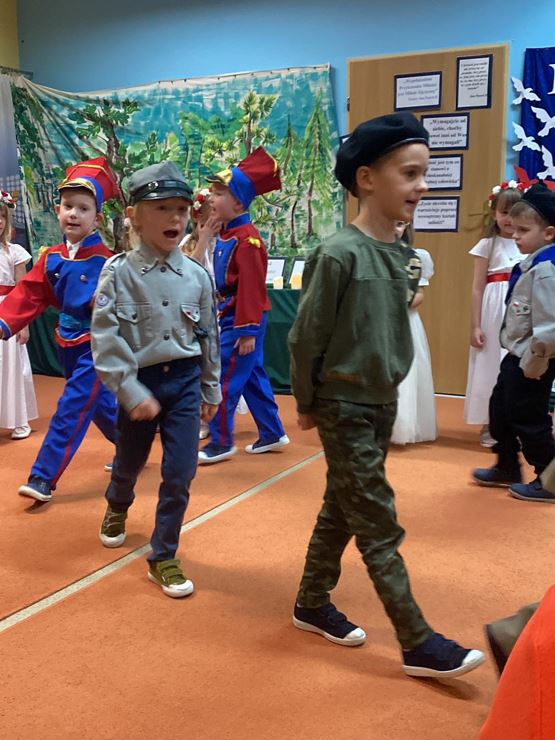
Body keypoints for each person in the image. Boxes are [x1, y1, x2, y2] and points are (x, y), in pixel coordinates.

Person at [288, 112, 485, 678]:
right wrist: (307, 400)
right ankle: (416, 640)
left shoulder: (402, 254)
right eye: (410, 173)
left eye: (425, 174)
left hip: (382, 400)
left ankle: (310, 602)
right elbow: (306, 337)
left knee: (342, 504)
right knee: (377, 520)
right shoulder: (338, 253)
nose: (422, 186)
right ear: (368, 178)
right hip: (343, 404)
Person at [91, 162, 221, 597]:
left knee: (181, 472)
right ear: (134, 216)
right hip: (141, 382)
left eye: (181, 209)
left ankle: (163, 555)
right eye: (162, 208)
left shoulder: (198, 276)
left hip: (184, 382)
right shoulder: (118, 272)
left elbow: (208, 336)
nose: (174, 218)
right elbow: (105, 338)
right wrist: (130, 391)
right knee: (129, 463)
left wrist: (210, 387)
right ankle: (117, 503)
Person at [0, 158, 119, 502]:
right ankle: (132, 443)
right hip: (66, 343)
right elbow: (29, 293)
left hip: (98, 346)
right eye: (68, 206)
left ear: (97, 218)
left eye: (83, 208)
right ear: (57, 210)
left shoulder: (107, 262)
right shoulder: (51, 257)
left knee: (72, 406)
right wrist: (4, 322)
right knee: (100, 406)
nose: (74, 214)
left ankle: (43, 477)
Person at [198, 147, 289, 464]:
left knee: (225, 379)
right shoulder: (228, 234)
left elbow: (251, 288)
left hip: (241, 320)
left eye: (218, 193)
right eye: (211, 191)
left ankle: (221, 441)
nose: (211, 197)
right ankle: (272, 431)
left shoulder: (247, 240)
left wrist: (247, 330)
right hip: (231, 314)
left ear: (238, 201)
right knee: (251, 377)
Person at [473, 184, 555, 502]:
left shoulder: (546, 269)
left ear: (548, 233)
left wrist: (537, 361)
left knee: (529, 417)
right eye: (514, 229)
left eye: (523, 230)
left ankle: (549, 478)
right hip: (518, 352)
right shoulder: (533, 262)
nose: (515, 235)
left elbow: (550, 324)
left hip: (534, 356)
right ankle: (507, 465)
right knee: (500, 407)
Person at [182, 189, 249, 440]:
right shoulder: (187, 245)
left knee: (219, 368)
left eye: (216, 218)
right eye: (208, 218)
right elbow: (188, 274)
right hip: (194, 316)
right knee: (199, 367)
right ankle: (200, 418)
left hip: (221, 314)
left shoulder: (228, 243)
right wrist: (203, 239)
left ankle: (216, 419)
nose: (214, 223)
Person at [464, 181, 524, 447]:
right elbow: (477, 288)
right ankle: (491, 423)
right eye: (504, 212)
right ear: (494, 213)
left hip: (521, 310)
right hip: (493, 313)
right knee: (491, 365)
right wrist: (475, 325)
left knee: (517, 367)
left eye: (515, 212)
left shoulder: (529, 244)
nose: (509, 219)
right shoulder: (487, 244)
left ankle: (516, 423)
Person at [391, 222, 437, 445]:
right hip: (377, 320)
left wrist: (399, 304)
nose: (395, 228)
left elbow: (419, 294)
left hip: (405, 320)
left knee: (406, 373)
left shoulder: (416, 256)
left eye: (400, 224)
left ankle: (402, 427)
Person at [0, 191, 38, 439]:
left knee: (15, 366)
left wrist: (23, 325)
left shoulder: (14, 251)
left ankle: (20, 420)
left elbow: (22, 291)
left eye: (2, 216)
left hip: (8, 313)